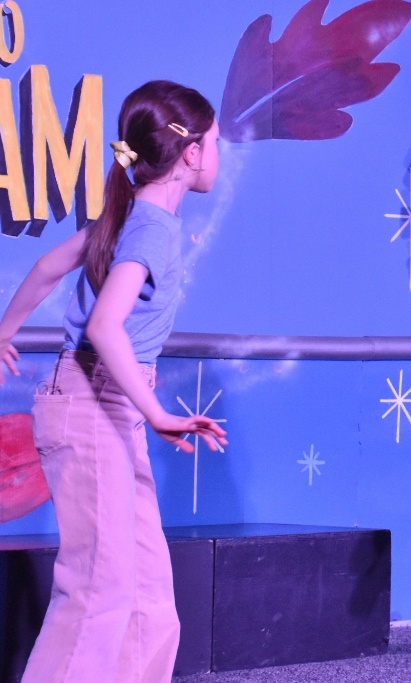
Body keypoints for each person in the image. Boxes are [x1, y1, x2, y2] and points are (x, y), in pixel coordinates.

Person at [0, 80, 227, 682]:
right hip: (90, 404)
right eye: (215, 142)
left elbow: (48, 266)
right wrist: (157, 412)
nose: (218, 155)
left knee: (148, 594)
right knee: (98, 593)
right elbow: (104, 326)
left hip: (111, 406)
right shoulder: (149, 229)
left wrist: (6, 329)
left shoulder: (132, 217)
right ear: (191, 154)